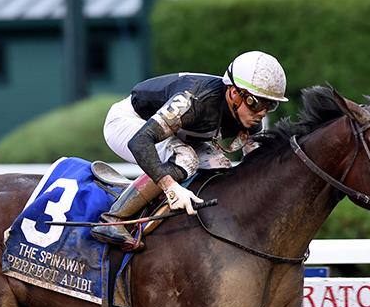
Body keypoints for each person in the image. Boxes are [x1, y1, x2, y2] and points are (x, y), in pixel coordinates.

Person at [90, 51, 288, 249]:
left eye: (270, 105)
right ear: (234, 93)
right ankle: (113, 220)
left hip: (173, 133)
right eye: (256, 102)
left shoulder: (252, 119)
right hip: (130, 123)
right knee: (186, 159)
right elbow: (140, 141)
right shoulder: (193, 100)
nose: (262, 113)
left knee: (220, 164)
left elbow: (257, 171)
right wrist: (170, 187)